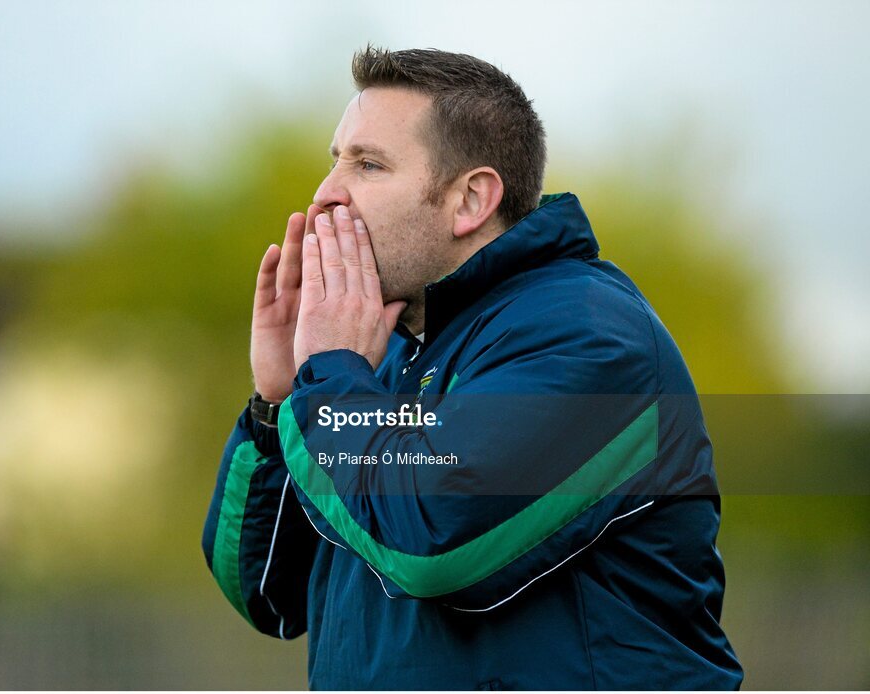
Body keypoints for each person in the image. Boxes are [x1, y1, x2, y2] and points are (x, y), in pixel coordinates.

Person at [202, 46, 744, 690]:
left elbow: (433, 546)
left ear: (471, 200)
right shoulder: (389, 354)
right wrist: (279, 402)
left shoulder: (592, 340)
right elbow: (270, 594)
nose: (326, 196)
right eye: (334, 163)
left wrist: (332, 378)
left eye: (368, 165)